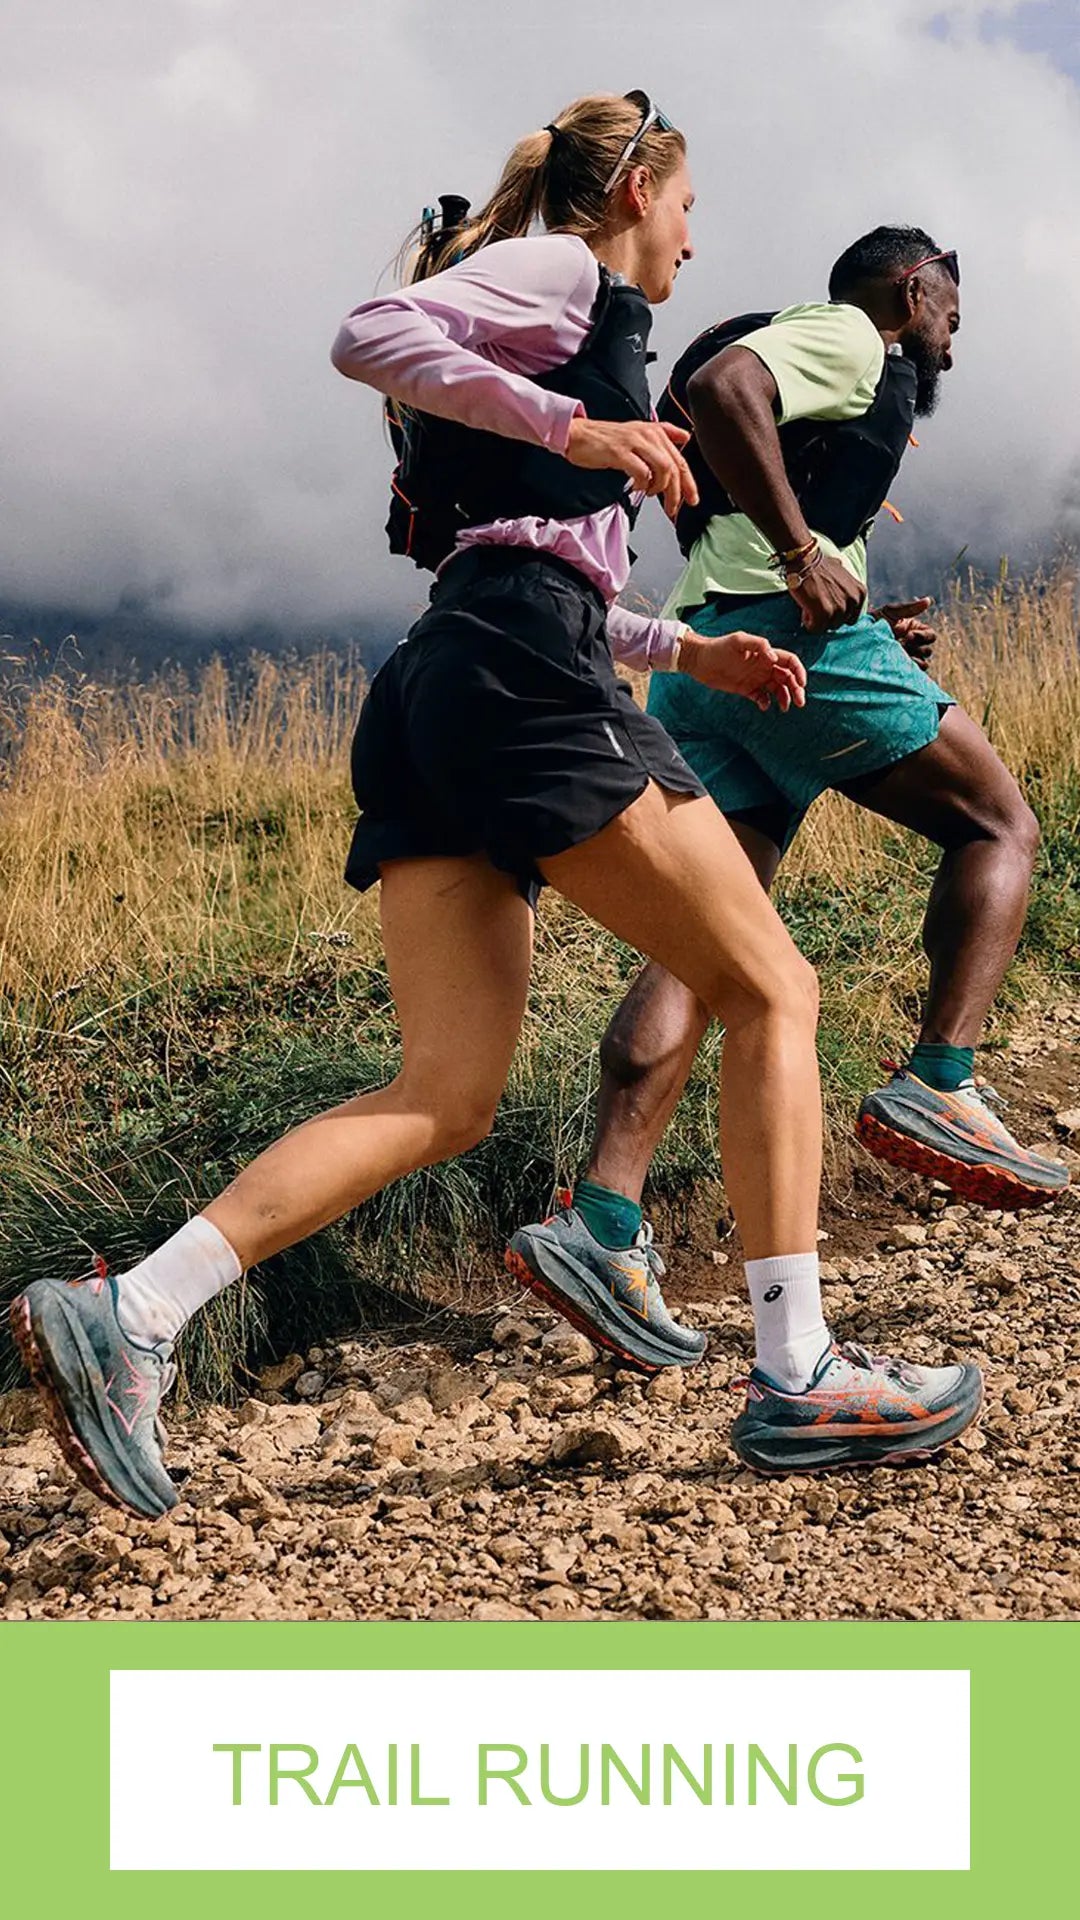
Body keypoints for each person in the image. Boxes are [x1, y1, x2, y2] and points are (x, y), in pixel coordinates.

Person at [10, 102, 981, 1520]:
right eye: (690, 204)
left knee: (444, 1094)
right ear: (638, 186)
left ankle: (135, 1316)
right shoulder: (565, 274)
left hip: (452, 681)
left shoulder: (572, 324)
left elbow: (520, 549)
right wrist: (571, 420)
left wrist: (683, 648)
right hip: (517, 675)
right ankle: (800, 1373)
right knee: (772, 983)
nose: (695, 237)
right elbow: (366, 331)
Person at [509, 227, 1067, 1356]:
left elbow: (743, 478)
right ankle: (941, 1083)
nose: (952, 344)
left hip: (709, 655)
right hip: (784, 644)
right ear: (915, 289)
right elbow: (726, 387)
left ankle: (603, 1218)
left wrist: (843, 571)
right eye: (950, 312)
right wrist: (807, 554)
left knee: (711, 943)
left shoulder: (837, 376)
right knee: (998, 823)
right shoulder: (854, 337)